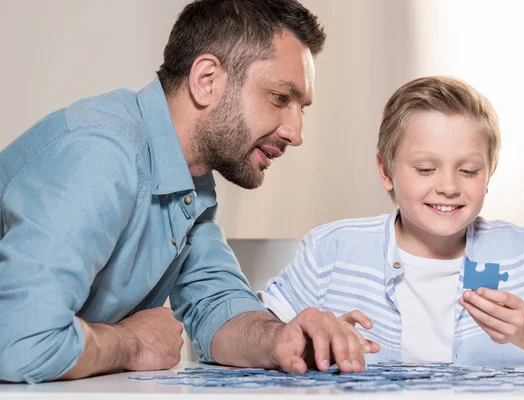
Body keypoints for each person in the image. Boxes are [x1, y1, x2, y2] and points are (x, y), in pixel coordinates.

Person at [0, 0, 375, 384]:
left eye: (301, 109)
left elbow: (216, 307)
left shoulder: (190, 178)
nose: (296, 134)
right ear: (207, 79)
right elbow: (21, 341)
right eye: (280, 98)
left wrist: (282, 338)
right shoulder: (102, 153)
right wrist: (130, 344)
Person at [259, 76, 524, 366]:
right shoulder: (330, 252)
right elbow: (260, 338)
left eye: (468, 171)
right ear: (386, 170)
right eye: (425, 169)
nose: (449, 187)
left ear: (489, 173)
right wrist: (315, 341)